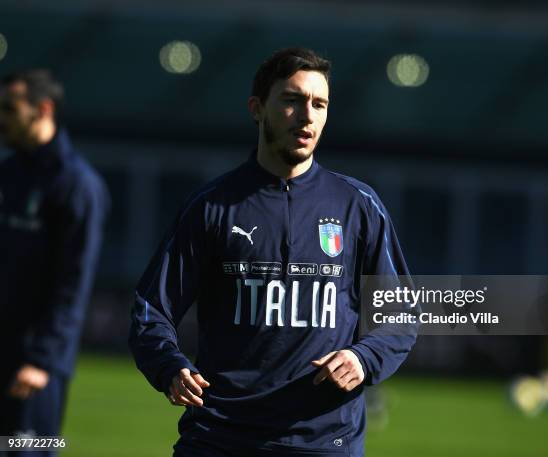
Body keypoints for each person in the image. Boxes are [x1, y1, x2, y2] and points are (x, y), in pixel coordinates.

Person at [129, 47, 417, 457]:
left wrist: (364, 358)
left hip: (324, 441)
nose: (308, 115)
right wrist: (169, 365)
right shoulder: (213, 206)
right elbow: (150, 310)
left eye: (319, 104)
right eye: (293, 100)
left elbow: (400, 315)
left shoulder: (358, 206)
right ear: (257, 108)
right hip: (219, 438)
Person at [0, 70, 109, 453]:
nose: (1, 118)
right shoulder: (9, 174)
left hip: (33, 366)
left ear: (43, 109)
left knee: (28, 450)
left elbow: (73, 283)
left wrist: (43, 359)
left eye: (9, 108)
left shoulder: (77, 185)